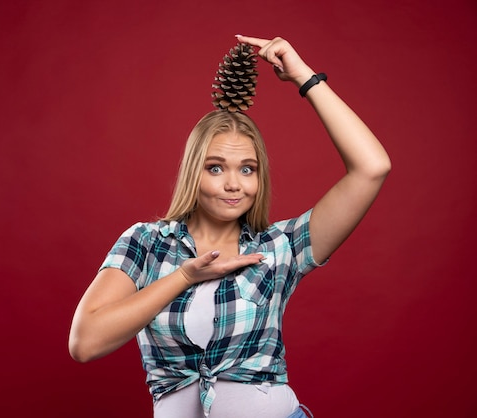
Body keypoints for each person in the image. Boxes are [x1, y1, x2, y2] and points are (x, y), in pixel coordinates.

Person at [68, 34, 391, 418]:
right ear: (194, 172)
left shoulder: (279, 248)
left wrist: (304, 77)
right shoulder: (147, 243)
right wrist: (186, 276)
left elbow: (372, 168)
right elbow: (84, 343)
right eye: (216, 167)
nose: (234, 184)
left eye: (248, 169)